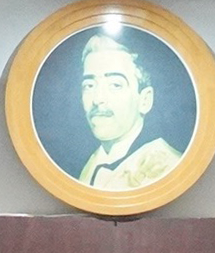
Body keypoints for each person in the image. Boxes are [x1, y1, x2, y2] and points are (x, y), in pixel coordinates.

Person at [73, 34, 182, 193]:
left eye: (115, 85)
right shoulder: (89, 164)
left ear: (144, 100)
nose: (97, 99)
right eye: (89, 85)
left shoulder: (169, 167)